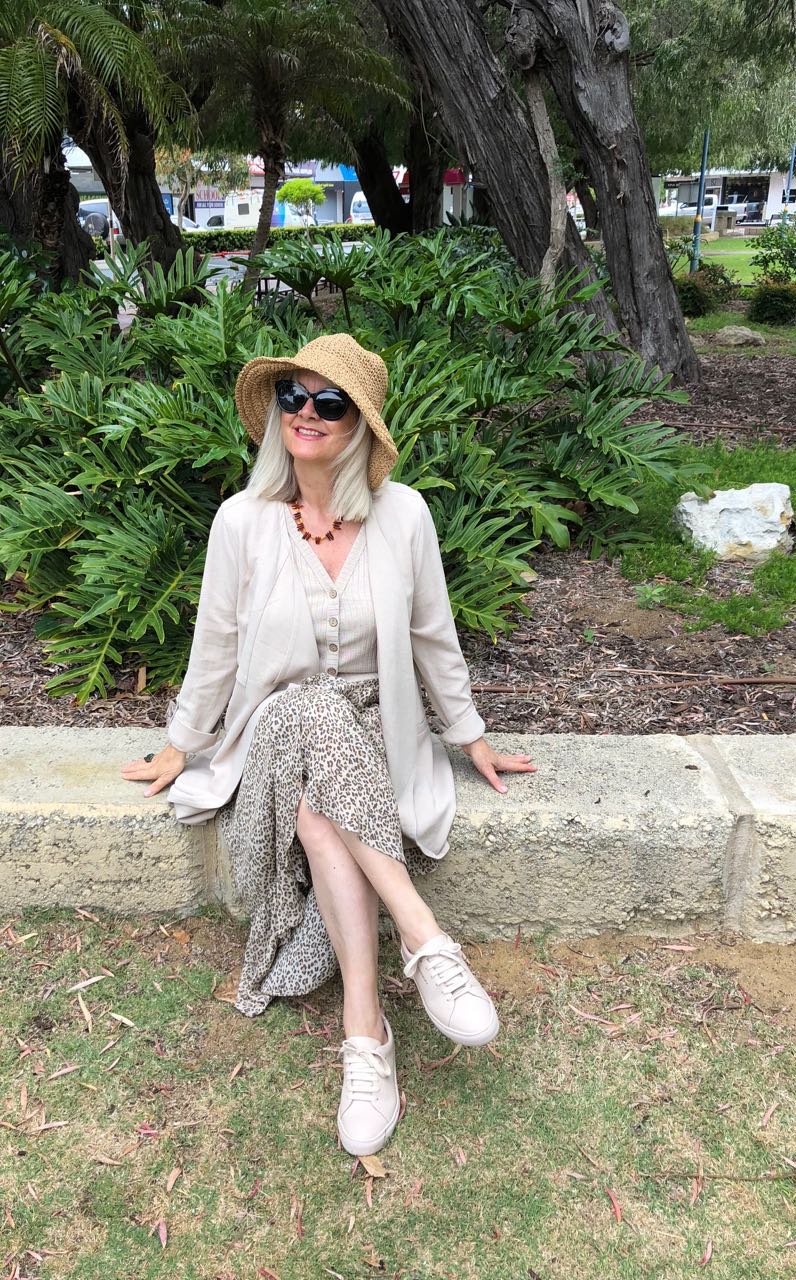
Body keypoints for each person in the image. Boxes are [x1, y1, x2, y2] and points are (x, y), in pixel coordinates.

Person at [122, 334, 536, 1156]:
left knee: (323, 812)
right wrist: (183, 743)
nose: (306, 414)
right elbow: (215, 646)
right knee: (308, 713)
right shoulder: (241, 522)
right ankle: (425, 941)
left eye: (329, 402)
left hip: (374, 742)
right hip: (275, 737)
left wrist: (469, 734)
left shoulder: (405, 515)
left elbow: (432, 636)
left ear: (361, 426)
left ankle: (367, 1038)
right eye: (292, 398)